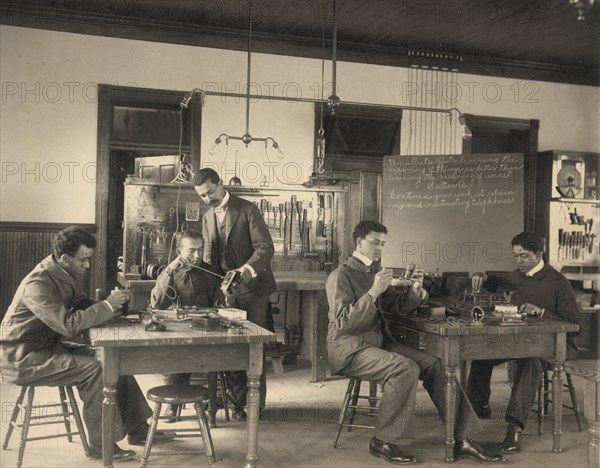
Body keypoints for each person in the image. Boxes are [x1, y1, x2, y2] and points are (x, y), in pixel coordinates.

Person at [326, 220, 504, 464]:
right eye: (375, 242)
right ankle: (383, 441)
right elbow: (344, 323)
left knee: (435, 364)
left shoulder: (374, 273)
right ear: (359, 242)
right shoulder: (340, 275)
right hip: (349, 348)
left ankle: (463, 439)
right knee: (404, 367)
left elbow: (396, 312)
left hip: (377, 345)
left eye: (383, 244)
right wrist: (374, 292)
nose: (379, 248)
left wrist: (416, 291)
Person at [0, 227, 174, 461]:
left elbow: (79, 302)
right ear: (65, 258)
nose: (87, 266)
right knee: (95, 370)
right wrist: (107, 306)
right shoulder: (38, 283)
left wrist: (114, 306)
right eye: (84, 260)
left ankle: (138, 430)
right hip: (22, 357)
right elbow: (68, 325)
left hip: (45, 348)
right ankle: (100, 445)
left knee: (113, 361)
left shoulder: (60, 273)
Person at [467, 231, 581, 453]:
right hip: (521, 341)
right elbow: (500, 282)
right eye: (515, 255)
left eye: (524, 256)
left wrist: (541, 312)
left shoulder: (558, 281)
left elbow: (576, 324)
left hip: (553, 346)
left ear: (539, 254)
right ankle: (478, 407)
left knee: (531, 362)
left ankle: (515, 427)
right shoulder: (519, 275)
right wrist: (484, 276)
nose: (518, 261)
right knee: (481, 353)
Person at [192, 168, 276, 421]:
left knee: (251, 348)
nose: (207, 199)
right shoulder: (207, 217)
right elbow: (209, 258)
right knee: (228, 349)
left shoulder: (248, 209)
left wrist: (246, 271)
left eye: (210, 193)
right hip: (223, 294)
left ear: (220, 184)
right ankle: (234, 402)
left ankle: (252, 407)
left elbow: (265, 247)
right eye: (202, 196)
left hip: (252, 291)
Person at [150, 228, 231, 421]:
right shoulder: (171, 272)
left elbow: (219, 305)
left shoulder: (212, 273)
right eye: (191, 251)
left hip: (209, 329)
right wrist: (170, 269)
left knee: (226, 353)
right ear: (179, 252)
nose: (197, 255)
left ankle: (217, 401)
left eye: (200, 250)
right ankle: (173, 402)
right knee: (176, 353)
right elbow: (156, 304)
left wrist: (227, 299)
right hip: (182, 329)